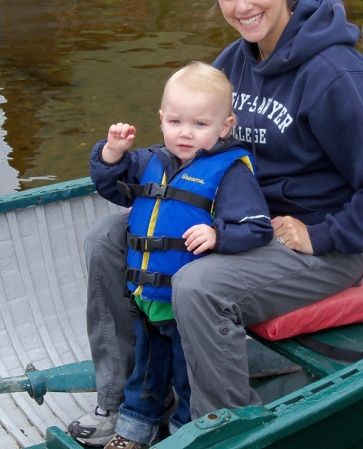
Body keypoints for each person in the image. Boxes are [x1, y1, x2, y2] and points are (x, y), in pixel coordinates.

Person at [67, 0, 363, 445]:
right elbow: (194, 148)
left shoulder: (335, 74)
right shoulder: (234, 62)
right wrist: (126, 168)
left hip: (317, 247)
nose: (242, 6)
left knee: (198, 286)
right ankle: (128, 401)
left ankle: (223, 428)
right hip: (231, 223)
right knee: (106, 239)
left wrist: (323, 235)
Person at [87, 61, 274, 449]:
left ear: (225, 127)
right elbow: (111, 185)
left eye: (200, 125)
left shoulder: (229, 172)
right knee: (147, 369)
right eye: (175, 122)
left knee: (189, 374)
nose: (185, 133)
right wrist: (111, 153)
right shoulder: (149, 162)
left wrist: (218, 233)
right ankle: (135, 429)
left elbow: (257, 227)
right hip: (148, 298)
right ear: (161, 119)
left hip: (189, 306)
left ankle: (183, 435)